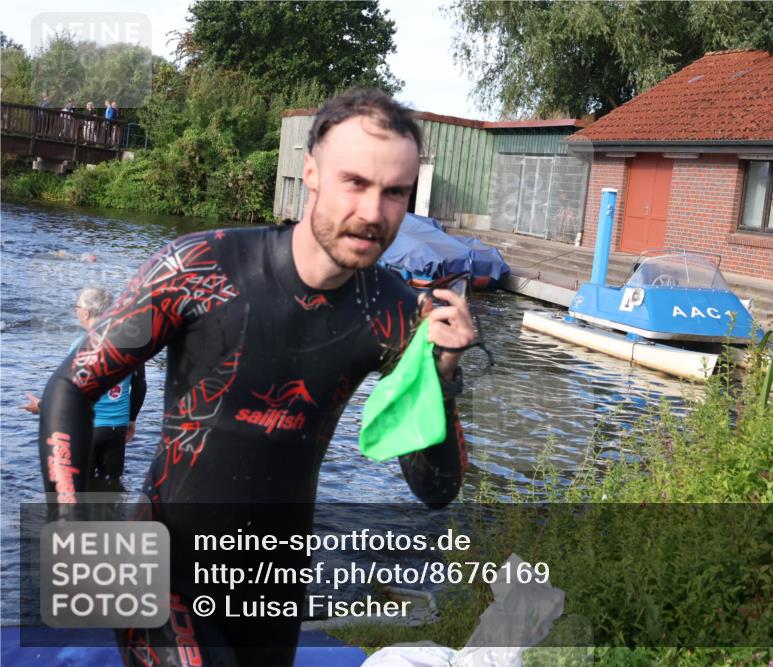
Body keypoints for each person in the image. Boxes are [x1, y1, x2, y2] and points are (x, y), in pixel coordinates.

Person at [37, 89, 475, 666]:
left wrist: (443, 372)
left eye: (394, 191)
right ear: (311, 173)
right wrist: (74, 526)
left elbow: (436, 489)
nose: (373, 212)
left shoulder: (394, 315)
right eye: (356, 182)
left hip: (275, 584)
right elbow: (72, 385)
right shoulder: (198, 269)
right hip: (160, 562)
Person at [24, 287, 146, 492]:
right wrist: (132, 419)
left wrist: (42, 407)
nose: (76, 311)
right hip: (116, 429)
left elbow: (70, 395)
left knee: (83, 489)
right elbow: (140, 385)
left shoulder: (81, 346)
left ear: (87, 313)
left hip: (87, 429)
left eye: (77, 306)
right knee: (112, 485)